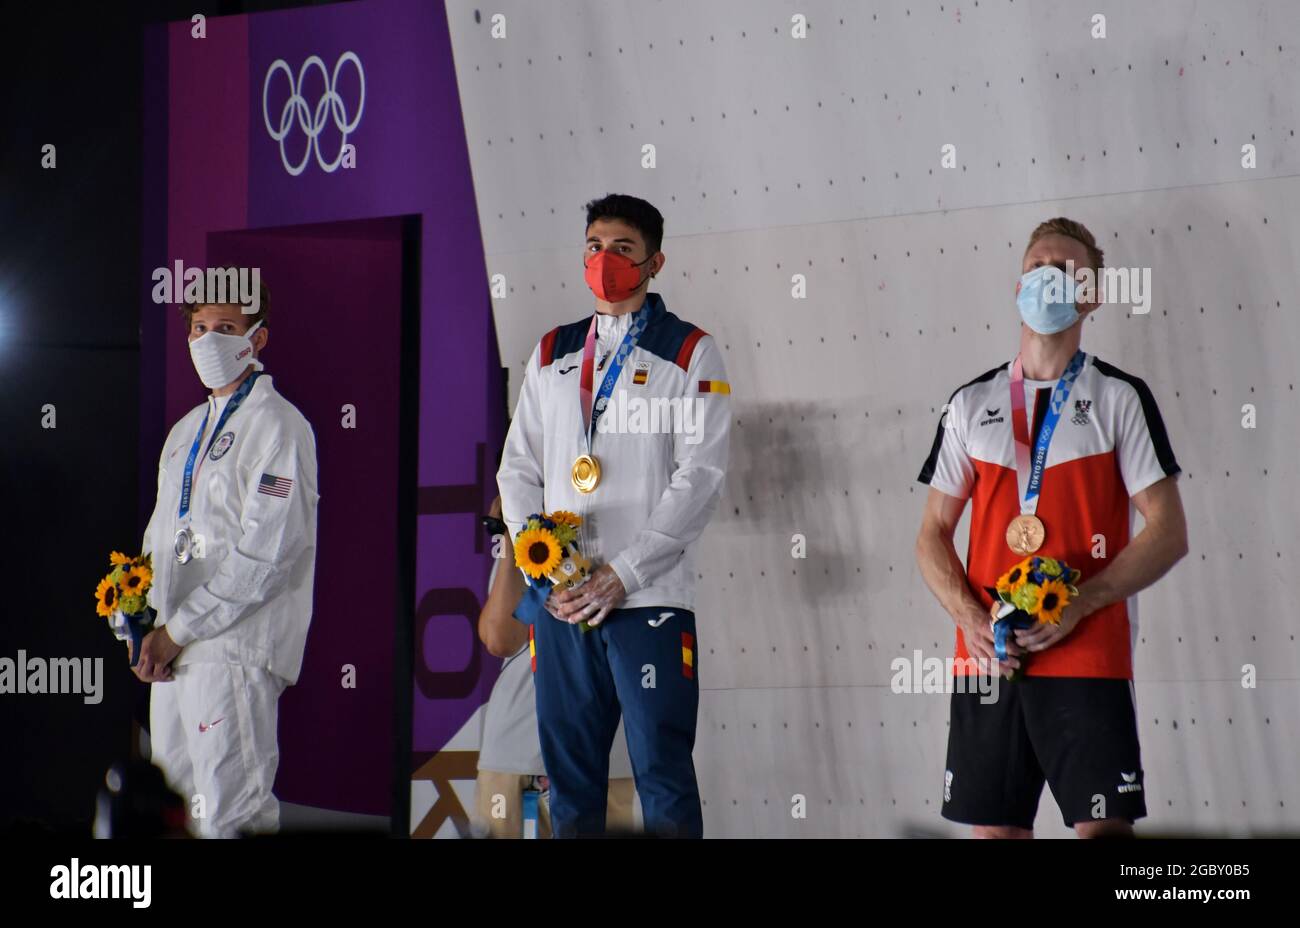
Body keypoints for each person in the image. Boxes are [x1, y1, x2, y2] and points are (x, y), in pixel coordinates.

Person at [915, 218, 1188, 838]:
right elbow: (932, 533)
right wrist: (968, 616)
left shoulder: (1120, 397)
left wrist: (1083, 602)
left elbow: (1168, 531)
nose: (1048, 278)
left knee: (1103, 832)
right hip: (990, 656)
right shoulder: (969, 403)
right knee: (996, 833)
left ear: (1091, 295)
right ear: (1018, 283)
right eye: (1038, 265)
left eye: (1066, 271)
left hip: (1087, 651)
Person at [496, 194, 731, 837]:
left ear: (654, 262)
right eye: (595, 246)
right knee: (570, 788)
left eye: (622, 249)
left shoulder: (690, 351)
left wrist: (623, 572)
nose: (606, 260)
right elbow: (518, 468)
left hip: (648, 599)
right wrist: (541, 566)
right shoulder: (552, 352)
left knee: (663, 779)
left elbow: (701, 477)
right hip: (563, 603)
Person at [135, 276, 319, 838]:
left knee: (231, 817)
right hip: (172, 655)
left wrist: (180, 628)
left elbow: (268, 555)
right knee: (174, 818)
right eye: (199, 329)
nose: (209, 341)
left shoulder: (279, 425)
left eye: (226, 329)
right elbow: (158, 539)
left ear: (258, 339)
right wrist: (144, 625)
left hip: (231, 649)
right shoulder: (185, 431)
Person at [473, 496, 636, 838]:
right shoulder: (534, 543)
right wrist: (510, 538)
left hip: (603, 757)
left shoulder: (637, 540)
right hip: (515, 752)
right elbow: (500, 639)